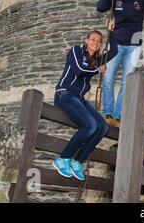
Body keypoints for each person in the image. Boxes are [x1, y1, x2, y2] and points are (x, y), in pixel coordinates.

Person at [96, 0, 144, 128]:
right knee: (108, 78)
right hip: (116, 44)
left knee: (126, 82)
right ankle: (108, 113)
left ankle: (118, 116)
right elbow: (100, 7)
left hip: (133, 47)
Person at [53, 30, 115, 180]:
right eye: (93, 39)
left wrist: (111, 31)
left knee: (103, 126)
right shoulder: (76, 50)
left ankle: (77, 161)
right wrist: (97, 70)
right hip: (65, 94)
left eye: (99, 41)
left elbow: (114, 51)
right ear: (86, 40)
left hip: (79, 98)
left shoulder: (95, 60)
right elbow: (79, 70)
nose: (96, 43)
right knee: (90, 125)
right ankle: (63, 158)